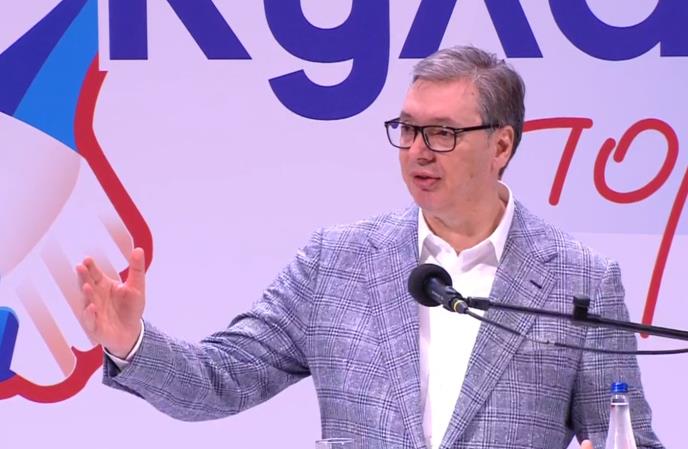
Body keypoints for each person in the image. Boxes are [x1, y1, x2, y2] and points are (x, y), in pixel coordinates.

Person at [75, 46, 663, 449]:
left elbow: (625, 434)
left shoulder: (578, 279)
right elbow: (219, 381)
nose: (418, 150)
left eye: (443, 133)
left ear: (501, 146)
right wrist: (131, 342)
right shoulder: (336, 263)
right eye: (407, 129)